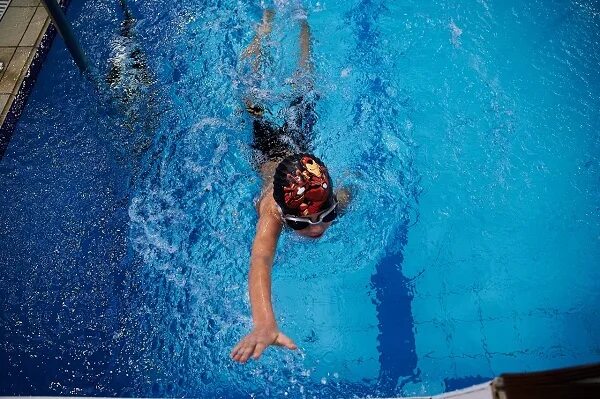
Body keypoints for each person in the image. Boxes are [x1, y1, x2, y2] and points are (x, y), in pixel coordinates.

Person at [230, 8, 348, 364]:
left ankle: (301, 18)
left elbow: (351, 189)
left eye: (326, 214)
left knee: (305, 83)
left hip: (299, 148)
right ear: (283, 213)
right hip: (265, 144)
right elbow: (261, 258)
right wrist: (265, 323)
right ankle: (265, 24)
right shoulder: (272, 207)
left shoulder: (329, 199)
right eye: (300, 223)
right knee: (252, 95)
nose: (317, 228)